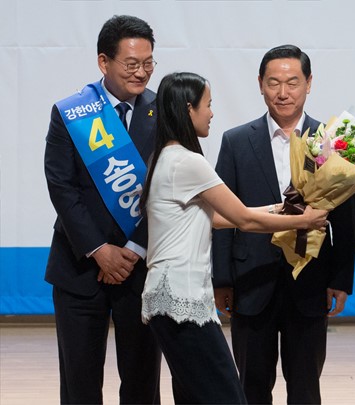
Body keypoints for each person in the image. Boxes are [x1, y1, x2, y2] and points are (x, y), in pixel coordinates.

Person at [140, 71, 328, 404]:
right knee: (228, 396)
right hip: (182, 296)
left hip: (166, 297)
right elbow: (243, 218)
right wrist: (303, 220)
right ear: (188, 109)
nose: (212, 113)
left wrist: (281, 207)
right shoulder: (188, 162)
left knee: (194, 396)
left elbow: (214, 218)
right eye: (208, 105)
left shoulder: (165, 157)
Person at [211, 44, 355, 404]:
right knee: (251, 384)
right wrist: (222, 279)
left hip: (310, 281)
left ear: (309, 83)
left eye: (292, 82)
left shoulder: (334, 142)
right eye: (274, 83)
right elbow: (223, 214)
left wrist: (340, 279)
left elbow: (346, 218)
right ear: (260, 84)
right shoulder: (236, 141)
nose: (283, 92)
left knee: (306, 385)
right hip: (251, 281)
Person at [43, 15, 161, 404]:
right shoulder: (72, 112)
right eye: (131, 64)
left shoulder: (165, 111)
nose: (141, 72)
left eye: (148, 63)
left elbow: (170, 190)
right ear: (103, 62)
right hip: (79, 266)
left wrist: (134, 248)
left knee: (143, 383)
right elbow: (62, 186)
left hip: (140, 269)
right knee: (79, 384)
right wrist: (99, 249)